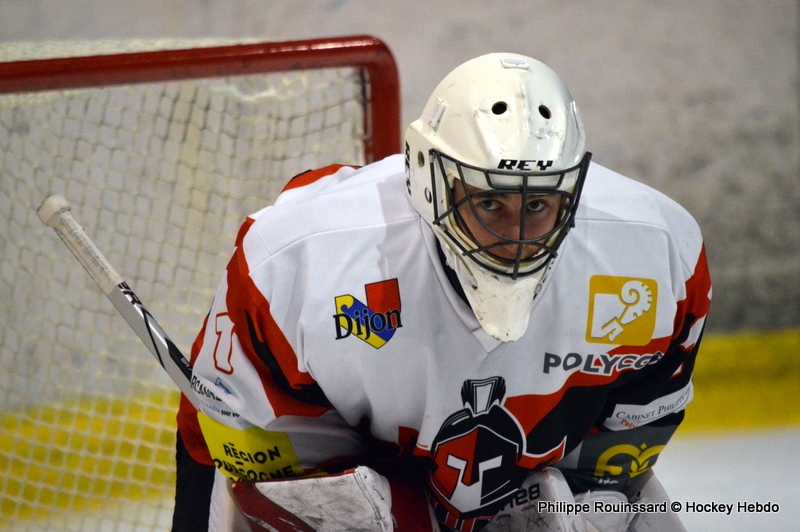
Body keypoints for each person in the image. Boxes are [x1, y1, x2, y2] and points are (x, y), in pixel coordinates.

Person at [172, 52, 711, 532]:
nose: (516, 239)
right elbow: (243, 443)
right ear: (432, 182)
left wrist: (584, 503)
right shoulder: (296, 258)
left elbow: (623, 448)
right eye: (491, 204)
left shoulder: (660, 253)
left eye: (538, 205)